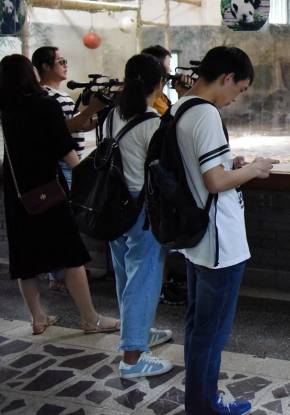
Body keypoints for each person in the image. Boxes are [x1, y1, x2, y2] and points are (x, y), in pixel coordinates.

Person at [175, 46, 278, 415]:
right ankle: (203, 407)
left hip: (197, 239)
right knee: (211, 333)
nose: (238, 97)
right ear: (227, 77)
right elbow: (215, 181)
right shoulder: (205, 114)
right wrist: (255, 168)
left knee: (197, 327)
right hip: (220, 242)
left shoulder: (180, 108)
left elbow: (200, 171)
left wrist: (230, 163)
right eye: (241, 88)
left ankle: (200, 402)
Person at [0, 54, 120, 336]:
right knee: (71, 255)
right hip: (48, 190)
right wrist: (85, 176)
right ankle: (90, 318)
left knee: (26, 258)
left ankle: (38, 317)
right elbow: (64, 148)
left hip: (18, 194)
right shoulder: (45, 105)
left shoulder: (6, 109)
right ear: (30, 74)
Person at [107, 54, 175, 378]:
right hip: (140, 209)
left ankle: (140, 332)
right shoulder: (151, 123)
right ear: (159, 85)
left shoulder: (109, 118)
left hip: (113, 206)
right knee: (144, 276)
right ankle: (133, 358)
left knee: (126, 278)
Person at [32, 45, 106, 291]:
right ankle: (61, 275)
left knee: (67, 222)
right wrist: (92, 110)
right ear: (45, 66)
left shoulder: (57, 95)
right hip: (63, 168)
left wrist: (95, 117)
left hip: (68, 166)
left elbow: (75, 125)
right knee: (64, 223)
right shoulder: (48, 97)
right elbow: (64, 130)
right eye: (60, 60)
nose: (65, 64)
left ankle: (65, 273)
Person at [141, 44, 190, 307]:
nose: (171, 73)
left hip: (135, 193)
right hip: (146, 194)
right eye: (167, 68)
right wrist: (185, 99)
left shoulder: (120, 111)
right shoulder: (150, 114)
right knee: (148, 254)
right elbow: (168, 135)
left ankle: (162, 283)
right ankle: (157, 293)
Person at [141, 45, 190, 115]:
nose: (170, 70)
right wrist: (183, 97)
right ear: (158, 67)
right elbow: (170, 119)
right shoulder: (153, 97)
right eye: (168, 64)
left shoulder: (160, 95)